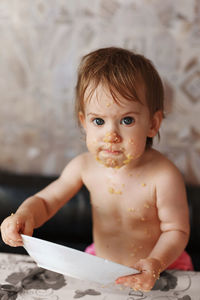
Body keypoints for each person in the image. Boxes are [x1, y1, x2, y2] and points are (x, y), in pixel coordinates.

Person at [0, 47, 193, 291]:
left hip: (162, 267)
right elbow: (47, 202)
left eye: (127, 120)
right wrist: (23, 215)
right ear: (84, 122)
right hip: (102, 267)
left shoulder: (163, 176)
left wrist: (155, 262)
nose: (111, 135)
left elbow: (175, 230)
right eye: (98, 121)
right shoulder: (84, 167)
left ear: (152, 124)